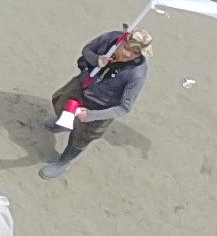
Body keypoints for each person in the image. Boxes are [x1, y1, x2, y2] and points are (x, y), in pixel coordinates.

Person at [44, 26, 148, 177]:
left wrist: (91, 115)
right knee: (61, 101)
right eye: (126, 47)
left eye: (135, 52)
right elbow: (87, 50)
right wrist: (96, 60)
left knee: (82, 136)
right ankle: (62, 122)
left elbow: (124, 108)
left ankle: (63, 161)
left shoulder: (137, 74)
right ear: (122, 39)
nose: (128, 54)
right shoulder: (111, 39)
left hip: (101, 106)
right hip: (82, 85)